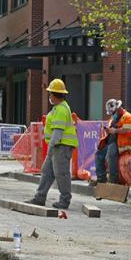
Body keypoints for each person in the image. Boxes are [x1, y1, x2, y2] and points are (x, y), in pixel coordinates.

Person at [28, 79, 79, 209]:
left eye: (50, 93)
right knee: (47, 171)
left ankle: (64, 200)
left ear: (54, 94)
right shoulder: (58, 108)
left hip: (61, 145)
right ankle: (40, 197)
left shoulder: (61, 109)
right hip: (57, 146)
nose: (49, 96)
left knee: (61, 173)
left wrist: (51, 146)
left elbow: (58, 131)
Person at [94, 99, 131, 185]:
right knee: (98, 154)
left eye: (113, 112)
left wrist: (115, 131)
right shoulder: (112, 118)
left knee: (110, 155)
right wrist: (108, 131)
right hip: (111, 142)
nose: (113, 114)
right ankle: (101, 178)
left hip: (121, 143)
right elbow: (111, 130)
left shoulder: (128, 116)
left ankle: (113, 180)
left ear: (118, 108)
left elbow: (127, 130)